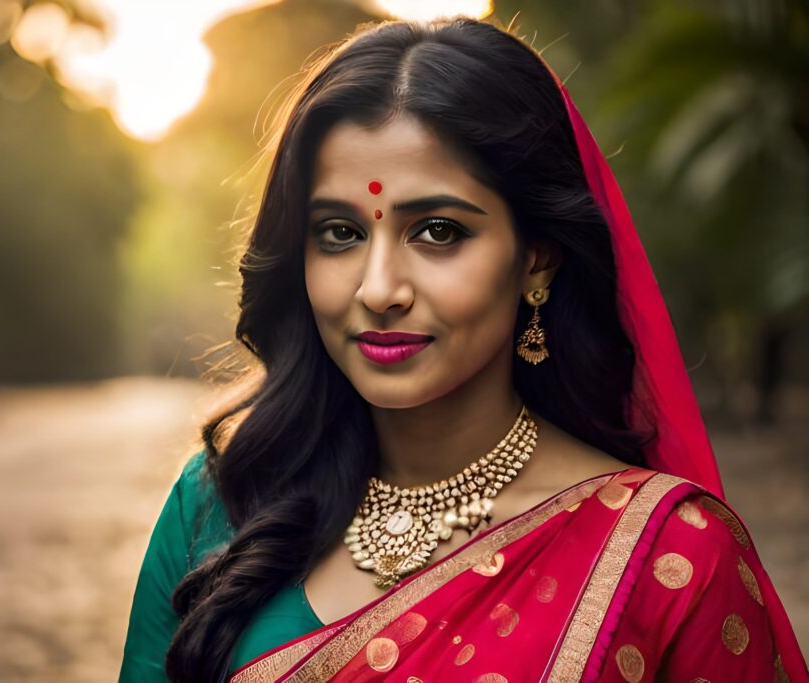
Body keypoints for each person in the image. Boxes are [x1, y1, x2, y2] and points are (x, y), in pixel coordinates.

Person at [117, 15, 808, 683]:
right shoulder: (223, 502)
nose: (380, 288)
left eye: (439, 232)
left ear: (536, 256)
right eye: (339, 233)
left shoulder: (670, 556)